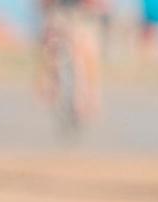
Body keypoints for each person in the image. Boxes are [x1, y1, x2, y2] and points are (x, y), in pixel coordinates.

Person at [40, 0, 108, 129]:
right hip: (63, 11)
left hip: (82, 13)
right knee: (52, 43)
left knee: (86, 50)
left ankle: (89, 98)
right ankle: (51, 84)